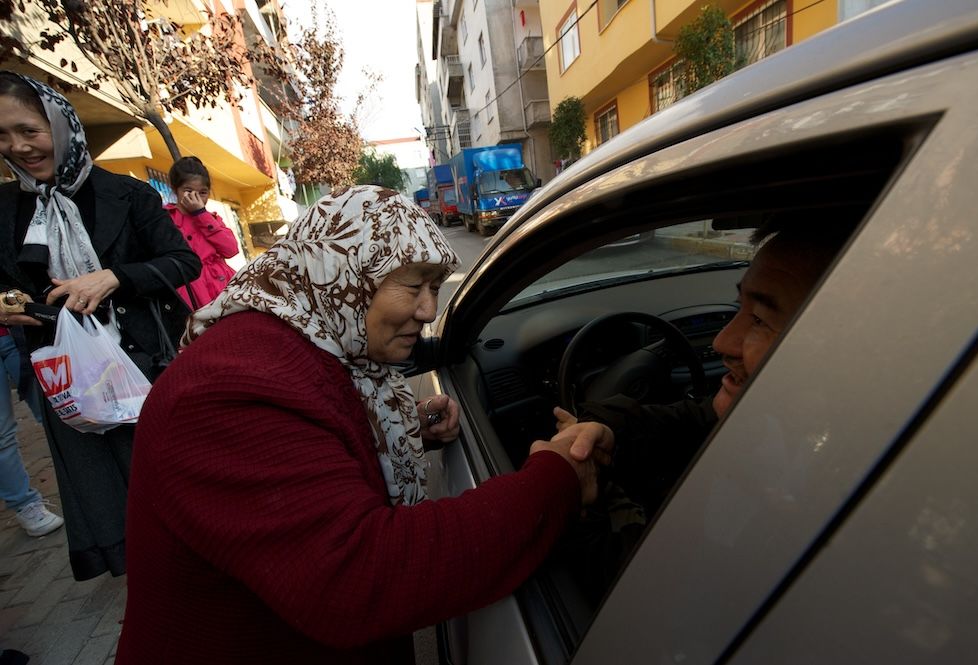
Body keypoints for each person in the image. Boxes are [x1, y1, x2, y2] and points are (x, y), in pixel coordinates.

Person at [115, 185, 598, 664]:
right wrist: (555, 480)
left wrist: (400, 429)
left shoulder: (303, 342)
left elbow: (310, 442)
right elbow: (360, 576)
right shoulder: (230, 390)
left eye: (435, 286)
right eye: (413, 285)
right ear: (342, 273)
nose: (429, 311)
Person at [553, 218, 854, 599]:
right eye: (738, 307)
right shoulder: (771, 416)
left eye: (760, 319)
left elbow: (638, 583)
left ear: (846, 343)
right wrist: (602, 432)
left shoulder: (830, 513)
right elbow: (684, 420)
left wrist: (575, 507)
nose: (722, 340)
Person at [0, 71, 200, 580]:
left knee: (168, 479)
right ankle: (154, 580)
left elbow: (182, 262)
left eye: (29, 130)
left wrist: (113, 278)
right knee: (107, 491)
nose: (18, 147)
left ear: (60, 125)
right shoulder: (5, 208)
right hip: (66, 376)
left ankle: (199, 564)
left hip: (141, 364)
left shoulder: (126, 194)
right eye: (2, 135)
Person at [1, 324, 63, 537]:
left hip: (15, 331)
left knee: (60, 412)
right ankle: (25, 505)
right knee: (1, 436)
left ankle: (95, 482)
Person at [164, 156, 239, 309]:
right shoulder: (165, 218)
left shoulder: (212, 219)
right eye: (188, 191)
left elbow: (231, 249)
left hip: (223, 285)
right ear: (175, 189)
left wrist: (201, 215)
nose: (195, 197)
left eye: (203, 192)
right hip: (191, 290)